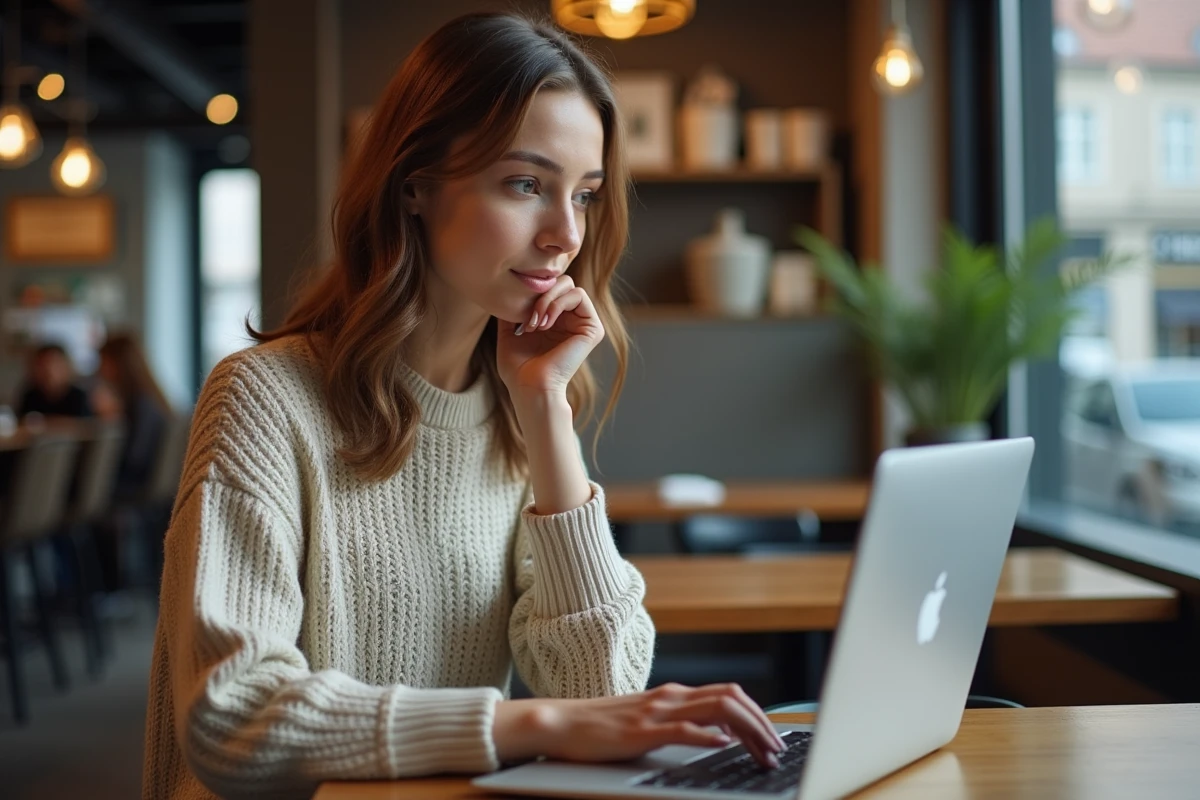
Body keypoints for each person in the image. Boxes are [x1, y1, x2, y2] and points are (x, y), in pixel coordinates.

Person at [143, 12, 785, 800]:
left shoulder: (518, 406)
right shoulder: (264, 398)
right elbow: (232, 720)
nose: (564, 236)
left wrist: (546, 413)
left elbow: (600, 688)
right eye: (526, 184)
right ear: (415, 184)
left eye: (582, 196)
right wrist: (527, 726)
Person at [94, 332, 172, 502]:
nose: (100, 369)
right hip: (152, 492)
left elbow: (134, 460)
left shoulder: (140, 406)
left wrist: (110, 423)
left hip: (134, 491)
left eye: (104, 362)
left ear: (117, 364)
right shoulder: (151, 400)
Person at [16, 343, 93, 421]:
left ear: (66, 366)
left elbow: (84, 424)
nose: (49, 370)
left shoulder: (79, 396)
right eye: (42, 365)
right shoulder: (30, 396)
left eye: (54, 363)